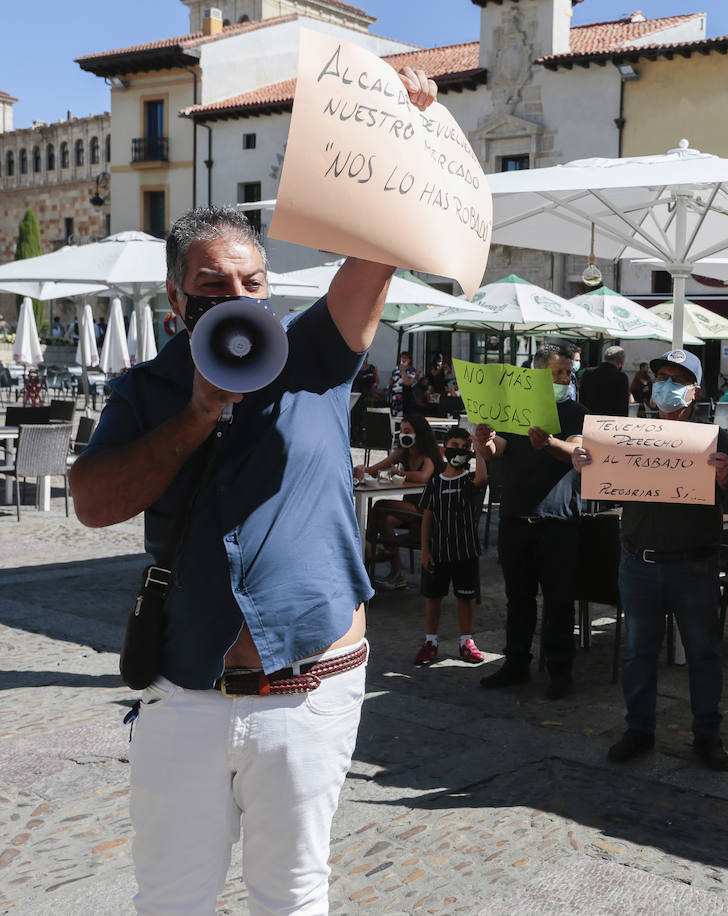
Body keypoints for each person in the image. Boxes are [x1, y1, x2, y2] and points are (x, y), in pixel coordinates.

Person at [68, 70, 438, 914]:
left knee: (293, 895)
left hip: (308, 693)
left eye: (253, 284)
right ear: (174, 302)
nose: (238, 299)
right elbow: (94, 502)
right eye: (211, 288)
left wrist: (401, 131)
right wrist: (200, 411)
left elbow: (375, 252)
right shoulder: (145, 390)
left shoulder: (314, 355)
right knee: (171, 899)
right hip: (186, 693)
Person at [574, 349, 728, 770]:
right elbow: (604, 489)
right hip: (639, 562)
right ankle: (639, 730)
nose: (666, 385)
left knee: (703, 654)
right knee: (638, 653)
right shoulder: (628, 436)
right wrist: (585, 465)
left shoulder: (715, 438)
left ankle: (707, 734)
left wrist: (726, 478)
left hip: (695, 565)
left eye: (677, 379)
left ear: (694, 392)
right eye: (661, 376)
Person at [474, 343, 587, 699]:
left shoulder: (575, 411)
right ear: (537, 374)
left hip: (558, 521)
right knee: (517, 598)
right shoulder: (513, 409)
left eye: (569, 372)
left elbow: (577, 453)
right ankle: (516, 663)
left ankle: (559, 670)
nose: (565, 378)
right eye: (558, 372)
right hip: (515, 518)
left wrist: (550, 443)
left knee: (559, 599)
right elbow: (496, 451)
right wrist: (485, 441)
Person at [414, 428, 487, 667]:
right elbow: (427, 517)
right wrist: (425, 550)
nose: (460, 451)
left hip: (465, 550)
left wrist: (480, 446)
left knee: (465, 598)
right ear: (445, 449)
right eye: (455, 445)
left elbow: (482, 478)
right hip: (438, 551)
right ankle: (430, 641)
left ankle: (466, 641)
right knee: (433, 597)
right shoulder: (435, 482)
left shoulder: (469, 479)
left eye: (464, 448)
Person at [355, 415, 442, 590]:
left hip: (426, 510)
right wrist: (362, 470)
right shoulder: (404, 453)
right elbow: (376, 468)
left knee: (380, 506)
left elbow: (424, 476)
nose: (404, 435)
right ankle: (396, 571)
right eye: (402, 431)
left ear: (419, 433)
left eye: (408, 431)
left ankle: (370, 548)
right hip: (409, 508)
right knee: (384, 520)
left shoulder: (429, 455)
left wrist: (400, 473)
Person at [579, 344, 630, 417]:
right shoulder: (621, 377)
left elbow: (582, 398)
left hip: (589, 418)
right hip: (610, 422)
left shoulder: (588, 373)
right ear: (620, 362)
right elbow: (623, 405)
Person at [390, 350, 418, 415]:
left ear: (409, 360)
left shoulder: (411, 370)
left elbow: (408, 383)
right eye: (402, 357)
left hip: (405, 394)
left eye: (406, 358)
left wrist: (403, 371)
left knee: (404, 414)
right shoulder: (396, 369)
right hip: (396, 394)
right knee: (395, 414)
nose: (403, 359)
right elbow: (394, 379)